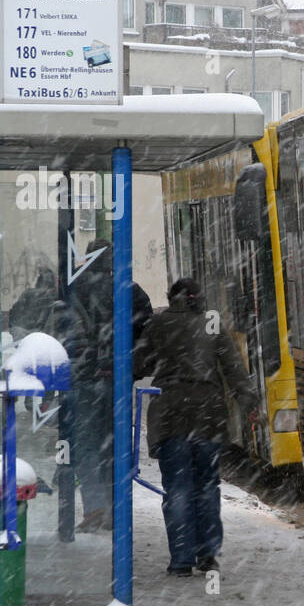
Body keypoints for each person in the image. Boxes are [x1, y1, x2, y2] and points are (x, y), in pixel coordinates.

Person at [134, 277, 258, 577]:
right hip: (207, 415)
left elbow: (139, 364)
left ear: (171, 297)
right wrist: (250, 404)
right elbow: (233, 368)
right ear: (199, 298)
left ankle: (180, 560)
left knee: (177, 489)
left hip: (170, 414)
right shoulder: (212, 323)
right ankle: (208, 555)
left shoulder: (158, 325)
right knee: (207, 485)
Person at [60, 238, 153, 532]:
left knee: (86, 446)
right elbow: (147, 335)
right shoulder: (130, 291)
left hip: (81, 380)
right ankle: (116, 510)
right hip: (115, 380)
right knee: (115, 446)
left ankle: (94, 508)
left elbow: (59, 330)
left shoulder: (73, 290)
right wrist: (132, 370)